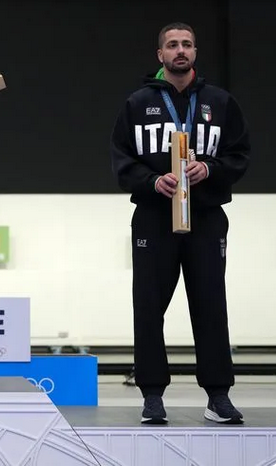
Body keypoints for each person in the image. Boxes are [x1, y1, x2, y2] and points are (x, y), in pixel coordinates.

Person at [111, 22, 250, 424]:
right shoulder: (138, 104)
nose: (180, 50)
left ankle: (218, 396)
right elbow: (121, 159)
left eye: (187, 44)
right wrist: (152, 180)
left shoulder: (220, 102)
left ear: (195, 52)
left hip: (206, 216)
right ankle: (152, 395)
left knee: (210, 304)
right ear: (160, 55)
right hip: (154, 217)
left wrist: (211, 168)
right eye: (172, 45)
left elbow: (240, 155)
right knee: (149, 306)